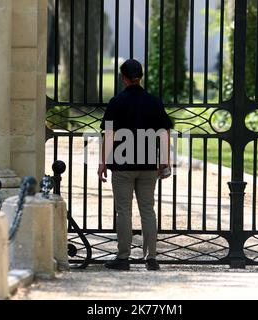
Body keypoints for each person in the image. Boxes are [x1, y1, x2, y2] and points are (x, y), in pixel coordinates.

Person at [98, 59, 173, 271]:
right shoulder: (154, 102)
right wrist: (165, 162)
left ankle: (123, 258)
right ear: (140, 76)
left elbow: (110, 134)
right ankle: (151, 258)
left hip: (123, 165)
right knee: (148, 210)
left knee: (124, 211)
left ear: (123, 78)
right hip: (148, 164)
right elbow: (165, 132)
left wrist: (103, 162)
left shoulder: (117, 102)